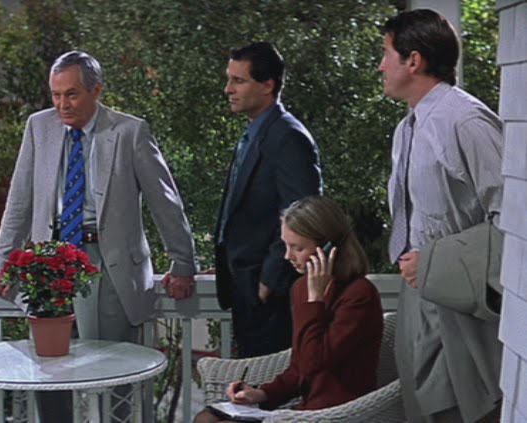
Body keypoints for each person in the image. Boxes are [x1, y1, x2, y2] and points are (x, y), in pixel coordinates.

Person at [0, 50, 198, 421]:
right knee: (49, 378)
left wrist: (183, 262)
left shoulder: (129, 132)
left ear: (96, 90)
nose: (62, 104)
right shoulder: (39, 127)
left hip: (108, 267)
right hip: (49, 267)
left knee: (112, 379)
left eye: (72, 94)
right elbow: (19, 202)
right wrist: (0, 263)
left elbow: (165, 202)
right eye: (56, 95)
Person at [380, 9, 504, 423]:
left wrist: (439, 261)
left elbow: (514, 220)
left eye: (386, 54)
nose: (380, 66)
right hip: (417, 294)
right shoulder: (407, 129)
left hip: (460, 297)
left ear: (413, 61)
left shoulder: (466, 121)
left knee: (459, 409)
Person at [195, 196, 383, 422]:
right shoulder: (301, 288)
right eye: (286, 245)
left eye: (297, 247)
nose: (287, 256)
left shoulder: (359, 295)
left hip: (338, 414)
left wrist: (315, 301)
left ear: (328, 247)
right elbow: (299, 366)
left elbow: (314, 363)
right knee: (207, 418)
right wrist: (262, 394)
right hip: (305, 410)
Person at [214, 41, 322, 358]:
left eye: (239, 80)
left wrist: (269, 281)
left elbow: (302, 214)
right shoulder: (256, 133)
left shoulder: (288, 137)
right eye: (229, 79)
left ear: (267, 85)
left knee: (269, 382)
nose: (228, 89)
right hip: (244, 286)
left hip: (269, 294)